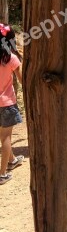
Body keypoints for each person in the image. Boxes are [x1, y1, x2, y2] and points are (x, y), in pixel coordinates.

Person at [0, 24, 25, 185]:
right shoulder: (11, 58)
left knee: (2, 135)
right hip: (6, 103)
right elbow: (23, 80)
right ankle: (2, 173)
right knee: (6, 137)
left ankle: (13, 159)